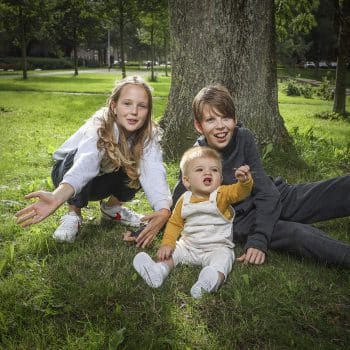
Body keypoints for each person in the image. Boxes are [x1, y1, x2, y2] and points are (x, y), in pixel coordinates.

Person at [172, 84, 350, 267]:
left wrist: (259, 238)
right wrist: (258, 238)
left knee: (328, 191)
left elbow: (266, 192)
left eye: (226, 118)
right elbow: (179, 202)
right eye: (210, 120)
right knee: (297, 234)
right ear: (198, 126)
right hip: (241, 218)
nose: (220, 127)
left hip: (272, 194)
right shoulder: (195, 157)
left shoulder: (244, 137)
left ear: (235, 118)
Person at [15, 76, 172, 247]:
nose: (134, 111)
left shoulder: (148, 134)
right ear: (114, 106)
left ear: (148, 111)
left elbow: (153, 171)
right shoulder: (100, 124)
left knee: (139, 165)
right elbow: (86, 162)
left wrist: (163, 210)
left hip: (102, 182)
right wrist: (56, 197)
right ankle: (73, 215)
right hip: (67, 178)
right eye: (127, 103)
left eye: (141, 106)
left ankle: (112, 209)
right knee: (77, 156)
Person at [133, 146, 253, 298]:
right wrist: (167, 243)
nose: (208, 172)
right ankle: (159, 271)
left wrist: (244, 182)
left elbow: (240, 192)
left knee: (224, 258)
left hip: (215, 248)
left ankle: (210, 280)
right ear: (187, 180)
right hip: (188, 247)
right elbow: (175, 224)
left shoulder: (222, 194)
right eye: (200, 170)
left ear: (221, 179)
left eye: (214, 170)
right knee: (172, 252)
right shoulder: (184, 200)